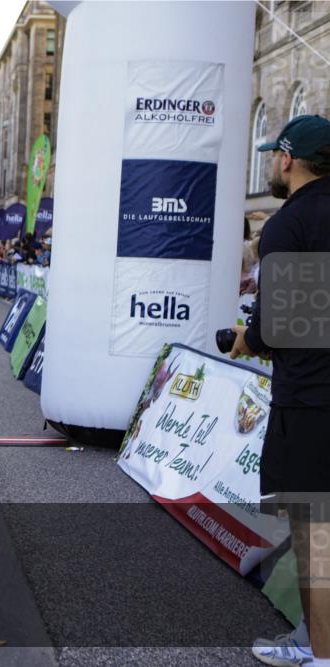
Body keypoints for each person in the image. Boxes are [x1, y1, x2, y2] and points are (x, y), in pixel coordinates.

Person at [228, 114, 330, 667]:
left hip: (313, 401)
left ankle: (320, 652)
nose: (272, 163)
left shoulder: (289, 223)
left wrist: (249, 337)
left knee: (318, 534)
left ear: (288, 159)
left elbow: (280, 326)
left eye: (274, 155)